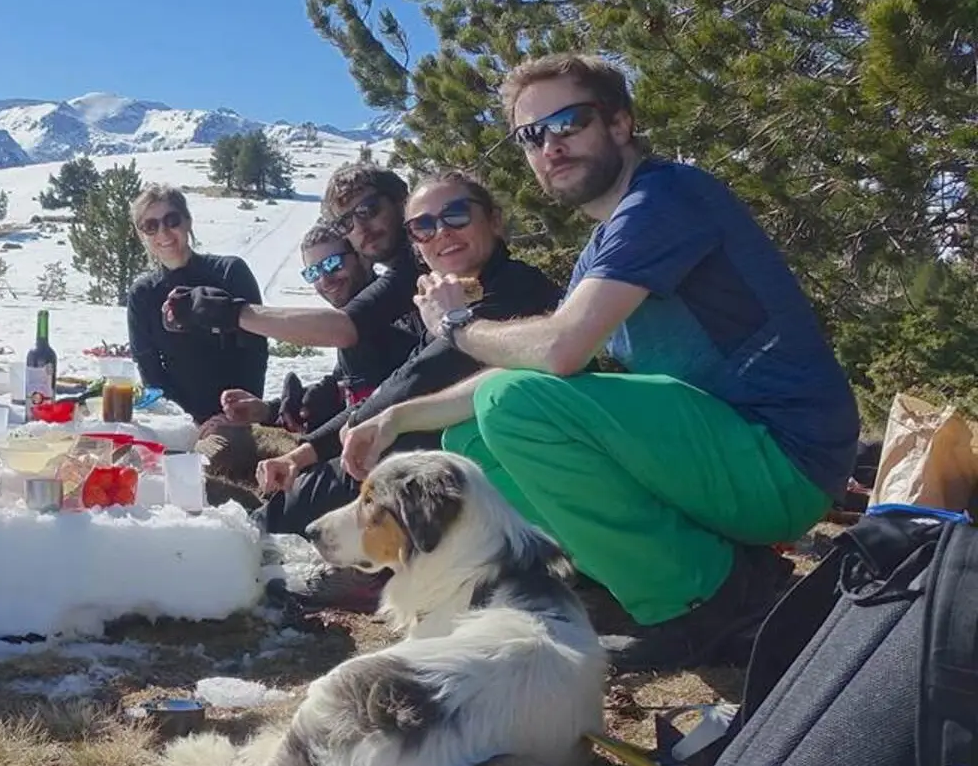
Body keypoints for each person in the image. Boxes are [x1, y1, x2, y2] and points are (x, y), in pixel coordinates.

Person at [342, 53, 860, 671]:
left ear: (620, 123)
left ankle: (703, 601)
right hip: (720, 460)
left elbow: (560, 350)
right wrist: (396, 418)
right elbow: (543, 364)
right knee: (471, 441)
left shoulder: (665, 198)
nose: (550, 146)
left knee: (510, 408)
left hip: (784, 462)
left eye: (568, 122)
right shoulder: (605, 244)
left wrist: (456, 325)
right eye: (531, 135)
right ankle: (657, 572)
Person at [254, 170, 562, 536]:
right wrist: (301, 453)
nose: (442, 232)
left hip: (510, 499)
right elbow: (401, 379)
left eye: (457, 215)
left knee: (298, 504)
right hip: (451, 477)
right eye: (424, 226)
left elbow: (422, 376)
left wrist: (354, 430)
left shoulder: (515, 288)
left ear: (494, 219)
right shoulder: (447, 297)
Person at [165, 162, 424, 389]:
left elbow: (344, 328)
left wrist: (231, 313)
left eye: (368, 210)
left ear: (401, 200)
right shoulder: (402, 274)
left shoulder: (418, 264)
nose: (361, 227)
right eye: (346, 223)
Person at [125, 185, 268, 481]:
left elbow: (254, 353)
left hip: (231, 419)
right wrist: (185, 421)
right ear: (142, 236)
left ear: (188, 221)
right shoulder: (143, 294)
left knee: (203, 472)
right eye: (150, 226)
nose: (163, 233)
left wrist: (235, 414)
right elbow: (149, 368)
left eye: (172, 220)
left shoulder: (230, 273)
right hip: (177, 421)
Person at [217, 219, 376, 435]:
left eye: (332, 264)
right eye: (313, 272)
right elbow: (345, 387)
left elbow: (395, 389)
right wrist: (268, 411)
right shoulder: (349, 318)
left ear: (360, 258)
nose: (325, 279)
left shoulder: (391, 308)